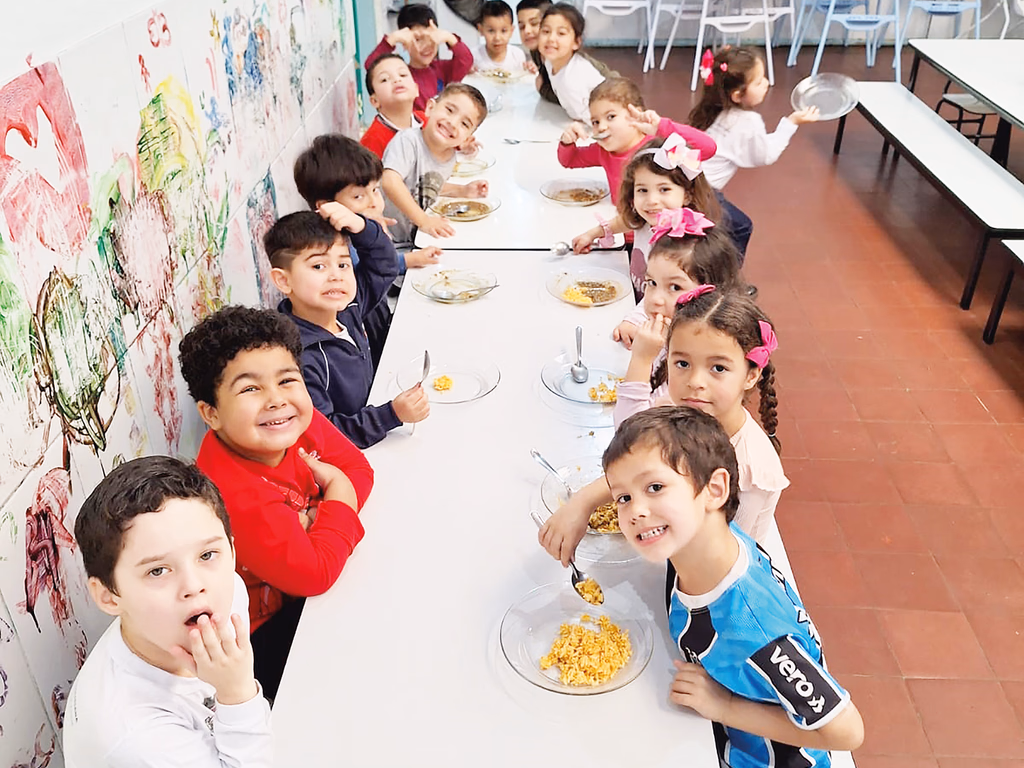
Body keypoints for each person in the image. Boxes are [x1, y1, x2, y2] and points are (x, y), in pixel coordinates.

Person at [604, 406, 864, 768]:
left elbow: (846, 731)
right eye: (623, 498)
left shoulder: (753, 628)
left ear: (715, 489)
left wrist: (724, 706)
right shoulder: (704, 542)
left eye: (655, 487)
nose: (635, 511)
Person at [178, 306, 374, 701]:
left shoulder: (290, 419)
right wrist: (334, 486)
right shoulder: (232, 494)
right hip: (257, 639)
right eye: (250, 388)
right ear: (211, 413)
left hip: (303, 591)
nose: (275, 399)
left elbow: (359, 470)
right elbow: (315, 575)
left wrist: (320, 516)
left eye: (287, 379)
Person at [538, 285, 786, 556]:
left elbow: (721, 559)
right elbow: (637, 451)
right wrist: (582, 503)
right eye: (682, 363)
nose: (695, 382)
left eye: (718, 368)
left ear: (751, 375)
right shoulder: (677, 407)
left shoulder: (752, 473)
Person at [64, 456, 272, 766]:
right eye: (158, 571)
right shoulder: (132, 735)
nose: (194, 585)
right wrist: (237, 693)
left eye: (207, 554)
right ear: (109, 597)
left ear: (231, 552)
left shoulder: (226, 593)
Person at [265, 208, 429, 448]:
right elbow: (325, 435)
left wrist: (362, 226)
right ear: (283, 280)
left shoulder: (347, 307)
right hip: (357, 455)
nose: (336, 276)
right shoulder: (298, 358)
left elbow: (384, 265)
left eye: (343, 264)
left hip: (375, 422)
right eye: (319, 267)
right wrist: (390, 415)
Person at [294, 134, 441, 364]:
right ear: (326, 206)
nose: (374, 202)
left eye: (375, 190)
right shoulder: (335, 255)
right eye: (358, 196)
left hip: (378, 322)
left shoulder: (356, 237)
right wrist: (369, 232)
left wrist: (405, 260)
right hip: (365, 338)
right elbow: (374, 270)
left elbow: (375, 267)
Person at [688, 46, 819, 261]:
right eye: (759, 82)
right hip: (703, 190)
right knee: (741, 227)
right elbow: (765, 155)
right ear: (738, 94)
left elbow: (749, 146)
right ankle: (726, 280)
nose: (766, 83)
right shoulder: (747, 121)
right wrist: (791, 122)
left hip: (688, 181)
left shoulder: (712, 109)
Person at [572, 135, 721, 303]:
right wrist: (593, 234)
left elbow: (665, 299)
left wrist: (633, 320)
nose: (651, 201)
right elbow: (625, 221)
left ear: (687, 195)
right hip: (634, 301)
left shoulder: (682, 245)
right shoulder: (646, 220)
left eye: (664, 189)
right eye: (643, 190)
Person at [557, 77, 717, 209]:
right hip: (625, 229)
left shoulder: (657, 148)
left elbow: (707, 148)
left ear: (636, 115)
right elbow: (570, 160)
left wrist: (661, 127)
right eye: (595, 121)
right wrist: (567, 142)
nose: (601, 127)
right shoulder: (603, 151)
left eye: (611, 117)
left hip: (662, 231)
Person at [614, 210, 744, 350]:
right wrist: (633, 321)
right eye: (652, 282)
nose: (655, 299)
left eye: (675, 287)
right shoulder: (669, 319)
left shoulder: (704, 349)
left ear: (713, 292)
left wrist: (643, 358)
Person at [381, 83, 489, 243]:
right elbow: (389, 181)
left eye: (464, 124)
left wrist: (462, 190)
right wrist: (424, 220)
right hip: (386, 241)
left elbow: (426, 185)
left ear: (467, 138)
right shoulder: (408, 141)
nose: (452, 123)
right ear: (430, 108)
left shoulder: (449, 156)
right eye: (450, 110)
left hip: (414, 240)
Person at [365, 4, 473, 112]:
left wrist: (450, 38)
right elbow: (371, 67)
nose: (426, 46)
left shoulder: (443, 70)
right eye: (418, 39)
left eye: (431, 38)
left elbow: (466, 60)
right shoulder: (401, 75)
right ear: (404, 42)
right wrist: (391, 40)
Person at [516, 0, 613, 105]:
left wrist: (543, 89)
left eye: (534, 23)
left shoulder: (576, 65)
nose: (527, 31)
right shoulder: (538, 52)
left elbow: (611, 80)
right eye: (521, 27)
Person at [536, 3, 606, 121]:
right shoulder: (549, 61)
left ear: (576, 42)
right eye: (546, 31)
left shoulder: (572, 80)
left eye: (561, 33)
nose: (551, 39)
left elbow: (596, 120)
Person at [360, 54, 425, 160]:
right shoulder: (372, 141)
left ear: (416, 89)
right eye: (384, 79)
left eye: (403, 75)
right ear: (375, 100)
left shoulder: (425, 121)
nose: (397, 80)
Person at [473, 0, 529, 73]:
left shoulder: (517, 55)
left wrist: (529, 70)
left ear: (511, 31)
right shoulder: (474, 56)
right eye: (491, 31)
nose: (497, 38)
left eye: (503, 31)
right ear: (480, 30)